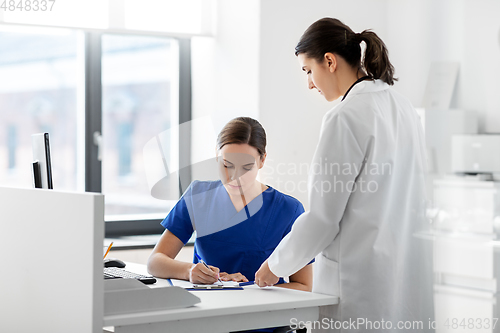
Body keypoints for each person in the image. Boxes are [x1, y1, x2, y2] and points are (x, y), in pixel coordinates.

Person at [255, 18, 433, 332]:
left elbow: (324, 218)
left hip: (358, 286)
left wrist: (276, 265)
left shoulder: (344, 117)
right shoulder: (403, 107)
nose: (310, 83)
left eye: (309, 71)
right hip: (402, 277)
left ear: (329, 61)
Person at [148, 117, 313, 333]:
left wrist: (245, 289)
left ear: (262, 160)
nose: (235, 177)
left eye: (247, 167)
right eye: (226, 165)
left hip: (258, 323)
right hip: (201, 317)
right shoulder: (198, 195)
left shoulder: (288, 210)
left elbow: (303, 286)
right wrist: (189, 271)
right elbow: (156, 261)